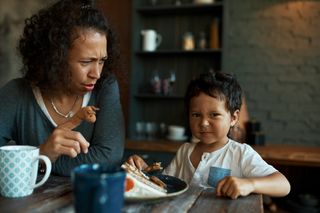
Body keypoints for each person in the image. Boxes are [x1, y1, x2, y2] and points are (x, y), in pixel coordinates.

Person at [0, 0, 125, 176]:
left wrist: (39, 162)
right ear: (54, 57)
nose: (96, 73)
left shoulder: (105, 86)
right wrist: (43, 152)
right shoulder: (16, 94)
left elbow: (109, 157)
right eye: (86, 62)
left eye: (101, 61)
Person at [128, 72, 290, 199]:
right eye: (196, 115)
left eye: (214, 115)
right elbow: (165, 184)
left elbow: (283, 185)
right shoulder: (185, 151)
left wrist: (250, 184)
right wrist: (145, 171)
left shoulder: (240, 154)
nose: (204, 123)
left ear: (233, 118)